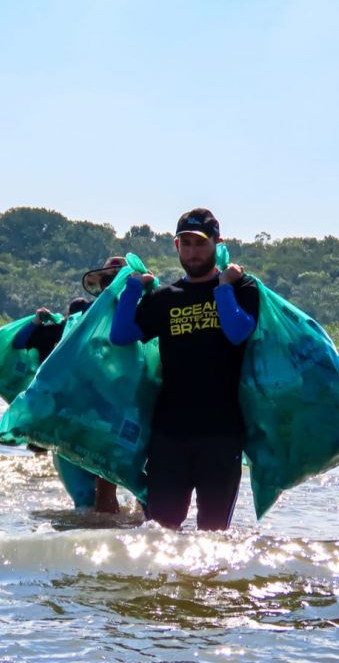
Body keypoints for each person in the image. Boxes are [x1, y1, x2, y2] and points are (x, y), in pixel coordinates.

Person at [110, 208, 259, 530]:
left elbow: (237, 332)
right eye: (186, 243)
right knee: (159, 531)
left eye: (200, 244)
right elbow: (121, 335)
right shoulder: (166, 298)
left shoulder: (242, 289)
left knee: (214, 535)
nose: (192, 252)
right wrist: (133, 289)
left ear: (217, 244)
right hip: (169, 435)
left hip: (222, 435)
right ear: (176, 246)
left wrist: (223, 286)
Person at [12, 256, 127, 513]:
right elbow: (22, 344)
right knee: (83, 501)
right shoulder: (82, 312)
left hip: (112, 413)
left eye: (120, 278)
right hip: (73, 408)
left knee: (107, 494)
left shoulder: (136, 316)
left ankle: (115, 540)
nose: (113, 284)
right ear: (98, 284)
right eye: (108, 279)